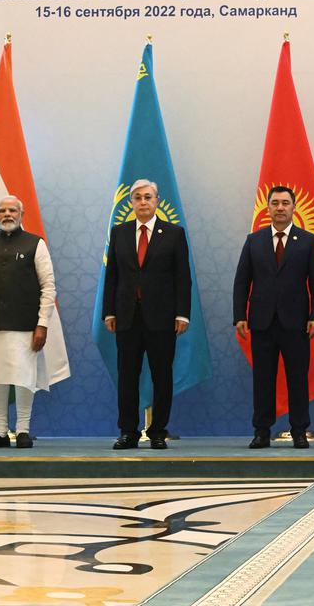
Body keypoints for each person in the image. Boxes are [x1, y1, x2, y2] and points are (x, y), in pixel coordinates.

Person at [0, 196, 68, 448]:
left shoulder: (36, 244)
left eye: (13, 210)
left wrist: (42, 324)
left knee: (24, 378)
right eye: (2, 210)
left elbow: (48, 287)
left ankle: (23, 430)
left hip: (25, 325)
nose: (7, 214)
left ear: (22, 215)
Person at [233, 186, 314, 450]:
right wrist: (239, 315)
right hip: (261, 321)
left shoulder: (307, 241)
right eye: (275, 203)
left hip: (296, 322)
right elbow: (242, 281)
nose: (281, 207)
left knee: (297, 378)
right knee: (263, 379)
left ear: (294, 207)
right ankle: (262, 431)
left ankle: (299, 430)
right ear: (268, 208)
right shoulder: (255, 240)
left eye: (286, 203)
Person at [102, 179, 190, 450]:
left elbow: (182, 278)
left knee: (161, 376)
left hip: (162, 318)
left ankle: (158, 431)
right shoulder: (120, 232)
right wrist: (108, 312)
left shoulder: (174, 233)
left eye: (148, 197)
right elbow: (112, 276)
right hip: (127, 316)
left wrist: (182, 314)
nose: (143, 202)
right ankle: (128, 431)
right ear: (131, 203)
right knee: (127, 375)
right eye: (138, 197)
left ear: (157, 201)